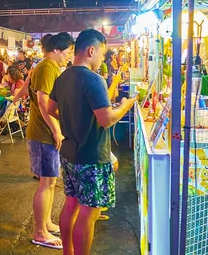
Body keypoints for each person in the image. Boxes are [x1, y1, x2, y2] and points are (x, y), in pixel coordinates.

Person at [47, 29, 136, 255]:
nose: (102, 58)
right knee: (89, 213)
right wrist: (125, 106)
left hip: (69, 153)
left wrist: (72, 120)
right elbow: (106, 120)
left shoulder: (63, 76)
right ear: (91, 50)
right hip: (91, 156)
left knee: (71, 205)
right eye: (102, 52)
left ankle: (68, 252)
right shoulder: (93, 79)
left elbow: (50, 109)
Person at [16, 32, 74, 250]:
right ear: (57, 50)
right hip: (43, 135)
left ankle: (46, 222)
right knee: (46, 183)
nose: (69, 56)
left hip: (44, 134)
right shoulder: (47, 67)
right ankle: (40, 232)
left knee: (49, 183)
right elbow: (43, 102)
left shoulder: (48, 67)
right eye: (68, 51)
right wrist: (56, 131)